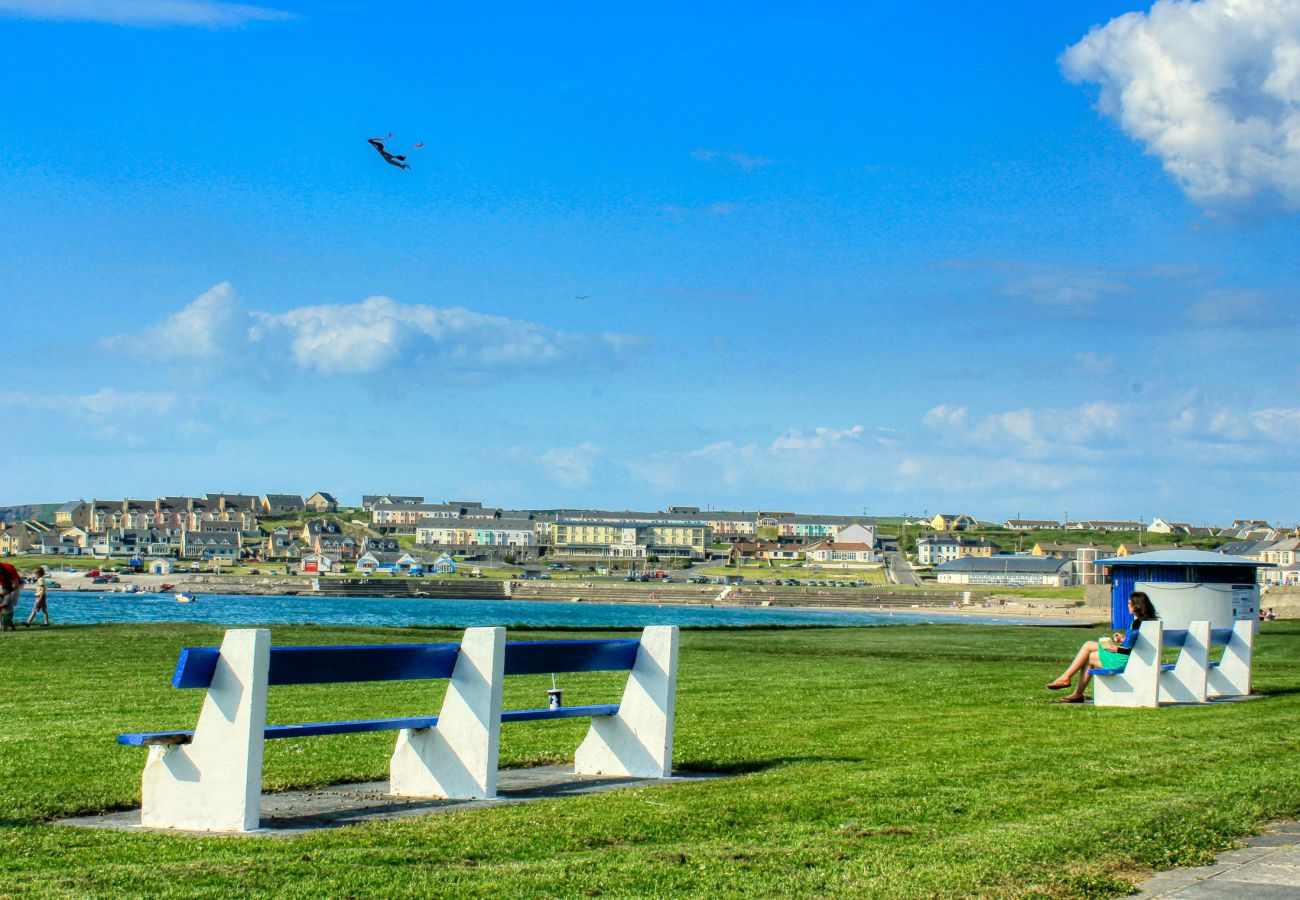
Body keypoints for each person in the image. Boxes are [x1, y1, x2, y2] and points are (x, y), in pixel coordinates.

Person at [1046, 591, 1158, 703]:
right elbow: (1140, 645)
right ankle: (1074, 689)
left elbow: (1132, 650)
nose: (1128, 605)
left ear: (1137, 606)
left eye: (1130, 603)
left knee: (1088, 647)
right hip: (1137, 659)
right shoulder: (1150, 622)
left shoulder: (1138, 622)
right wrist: (1124, 639)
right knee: (1089, 653)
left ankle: (1067, 680)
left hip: (1126, 660)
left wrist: (1116, 648)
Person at [0, 561, 20, 631]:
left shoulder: (9, 568)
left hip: (13, 584)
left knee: (10, 602)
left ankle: (5, 626)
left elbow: (16, 584)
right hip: (3, 585)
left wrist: (5, 593)